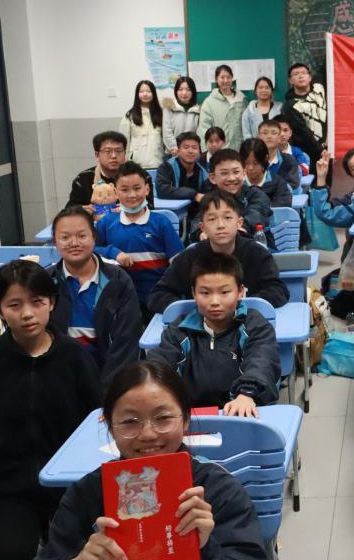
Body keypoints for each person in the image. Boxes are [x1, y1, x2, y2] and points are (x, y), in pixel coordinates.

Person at [38, 360, 270, 560]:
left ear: (185, 420)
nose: (148, 434)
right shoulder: (86, 494)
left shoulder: (219, 490)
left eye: (163, 418)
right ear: (110, 426)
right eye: (130, 422)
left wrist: (205, 547)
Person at [0, 260, 100, 560]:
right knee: (3, 554)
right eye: (14, 305)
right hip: (3, 487)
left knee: (92, 553)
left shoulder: (75, 358)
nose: (27, 314)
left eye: (37, 302)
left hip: (70, 485)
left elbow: (97, 422)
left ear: (52, 303)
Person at [149, 253, 280, 415]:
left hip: (241, 410)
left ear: (240, 291)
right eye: (205, 293)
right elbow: (160, 365)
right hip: (191, 416)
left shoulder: (254, 325)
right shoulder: (179, 330)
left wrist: (247, 394)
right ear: (194, 293)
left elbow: (261, 360)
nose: (215, 301)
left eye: (224, 292)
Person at [149, 191, 288, 312]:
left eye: (227, 218)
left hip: (248, 322)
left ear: (239, 223)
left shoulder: (257, 253)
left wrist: (237, 307)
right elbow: (158, 295)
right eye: (212, 219)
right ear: (202, 227)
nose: (220, 225)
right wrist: (198, 309)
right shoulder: (190, 257)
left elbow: (278, 291)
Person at [49, 205, 142, 384]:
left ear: (94, 237)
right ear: (55, 241)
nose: (74, 243)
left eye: (82, 236)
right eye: (65, 237)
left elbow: (126, 342)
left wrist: (106, 391)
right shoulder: (46, 283)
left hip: (109, 378)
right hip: (60, 380)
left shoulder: (118, 281)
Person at [96, 161, 184, 310]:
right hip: (119, 298)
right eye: (124, 189)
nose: (132, 195)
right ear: (116, 192)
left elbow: (178, 263)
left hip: (156, 296)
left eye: (137, 188)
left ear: (147, 189)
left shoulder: (161, 222)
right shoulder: (105, 223)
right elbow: (91, 251)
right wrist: (113, 252)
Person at [191, 149, 272, 242]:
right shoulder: (210, 199)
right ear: (213, 178)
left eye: (236, 172)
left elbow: (257, 215)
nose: (231, 178)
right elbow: (197, 224)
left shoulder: (255, 194)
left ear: (244, 174)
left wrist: (235, 231)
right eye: (224, 173)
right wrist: (200, 234)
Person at [67, 131, 153, 212]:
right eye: (107, 151)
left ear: (125, 153)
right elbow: (70, 210)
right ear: (97, 155)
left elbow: (149, 207)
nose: (114, 156)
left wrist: (131, 211)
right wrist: (81, 211)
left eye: (119, 151)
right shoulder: (83, 179)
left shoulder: (140, 176)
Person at [118, 79, 165, 169]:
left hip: (157, 162)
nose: (145, 94)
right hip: (136, 164)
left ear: (153, 94)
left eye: (148, 91)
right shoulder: (130, 115)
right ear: (137, 94)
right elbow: (123, 141)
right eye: (141, 91)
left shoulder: (162, 114)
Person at [197, 64, 246, 149]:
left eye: (228, 77)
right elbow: (203, 129)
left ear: (232, 78)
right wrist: (207, 151)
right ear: (216, 79)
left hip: (239, 149)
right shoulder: (209, 102)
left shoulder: (241, 99)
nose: (225, 80)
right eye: (222, 77)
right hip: (219, 150)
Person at [281, 62, 327, 152]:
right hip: (308, 152)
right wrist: (321, 150)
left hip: (332, 144)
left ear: (310, 77)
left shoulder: (320, 88)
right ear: (290, 81)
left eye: (303, 73)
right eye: (296, 74)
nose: (300, 76)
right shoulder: (290, 106)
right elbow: (303, 133)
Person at [155, 130, 208, 203]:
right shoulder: (166, 167)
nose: (190, 151)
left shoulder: (203, 172)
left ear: (199, 151)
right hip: (172, 208)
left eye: (194, 148)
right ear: (178, 151)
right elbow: (162, 190)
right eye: (186, 147)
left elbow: (209, 193)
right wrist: (194, 194)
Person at [240, 137, 292, 208]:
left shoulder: (278, 183)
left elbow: (283, 207)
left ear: (266, 159)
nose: (250, 168)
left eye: (255, 163)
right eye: (246, 163)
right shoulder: (238, 184)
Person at [258, 118, 307, 185]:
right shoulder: (255, 156)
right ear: (259, 136)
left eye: (274, 133)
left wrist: (291, 168)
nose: (269, 136)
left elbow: (304, 170)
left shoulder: (292, 157)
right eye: (265, 133)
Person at [163, 75, 201, 156]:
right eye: (180, 89)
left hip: (191, 153)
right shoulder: (169, 107)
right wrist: (175, 149)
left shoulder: (198, 110)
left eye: (188, 90)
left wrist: (190, 150)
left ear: (193, 92)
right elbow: (167, 132)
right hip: (172, 153)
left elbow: (199, 133)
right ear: (176, 91)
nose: (184, 93)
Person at [241, 75, 283, 139]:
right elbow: (246, 134)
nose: (264, 90)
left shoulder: (280, 109)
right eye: (260, 87)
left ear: (271, 91)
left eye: (267, 87)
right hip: (256, 145)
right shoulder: (248, 112)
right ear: (255, 91)